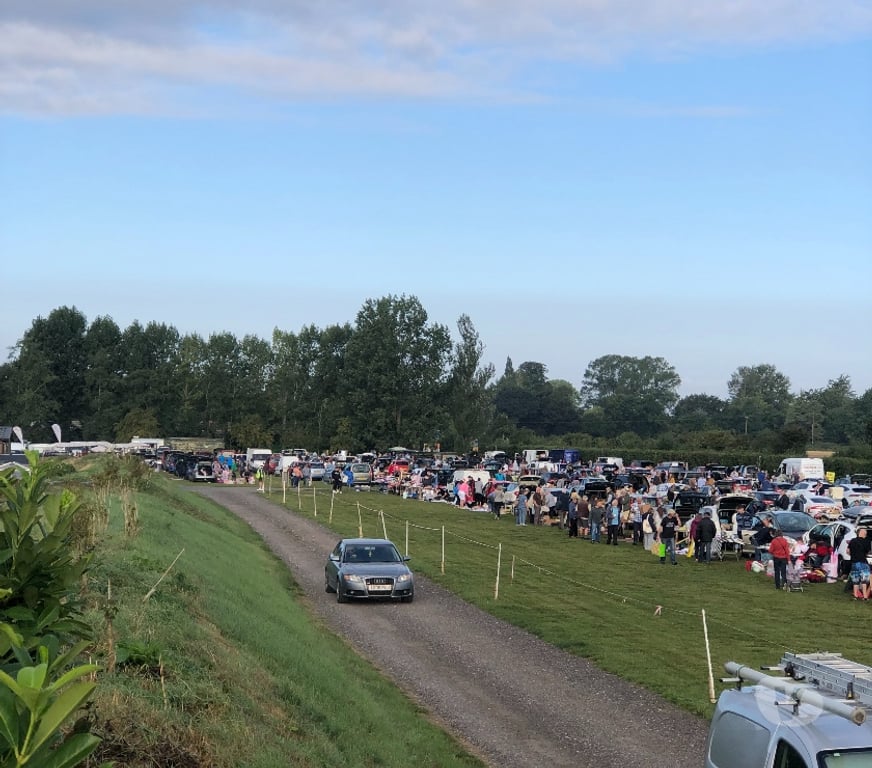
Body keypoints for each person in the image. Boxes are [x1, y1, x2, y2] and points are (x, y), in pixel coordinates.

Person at [847, 528, 872, 600]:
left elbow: (848, 551)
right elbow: (867, 552)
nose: (866, 533)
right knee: (864, 581)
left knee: (855, 581)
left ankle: (855, 596)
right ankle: (865, 596)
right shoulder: (867, 541)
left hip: (854, 563)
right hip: (863, 563)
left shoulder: (852, 540)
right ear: (861, 533)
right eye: (865, 532)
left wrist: (853, 555)